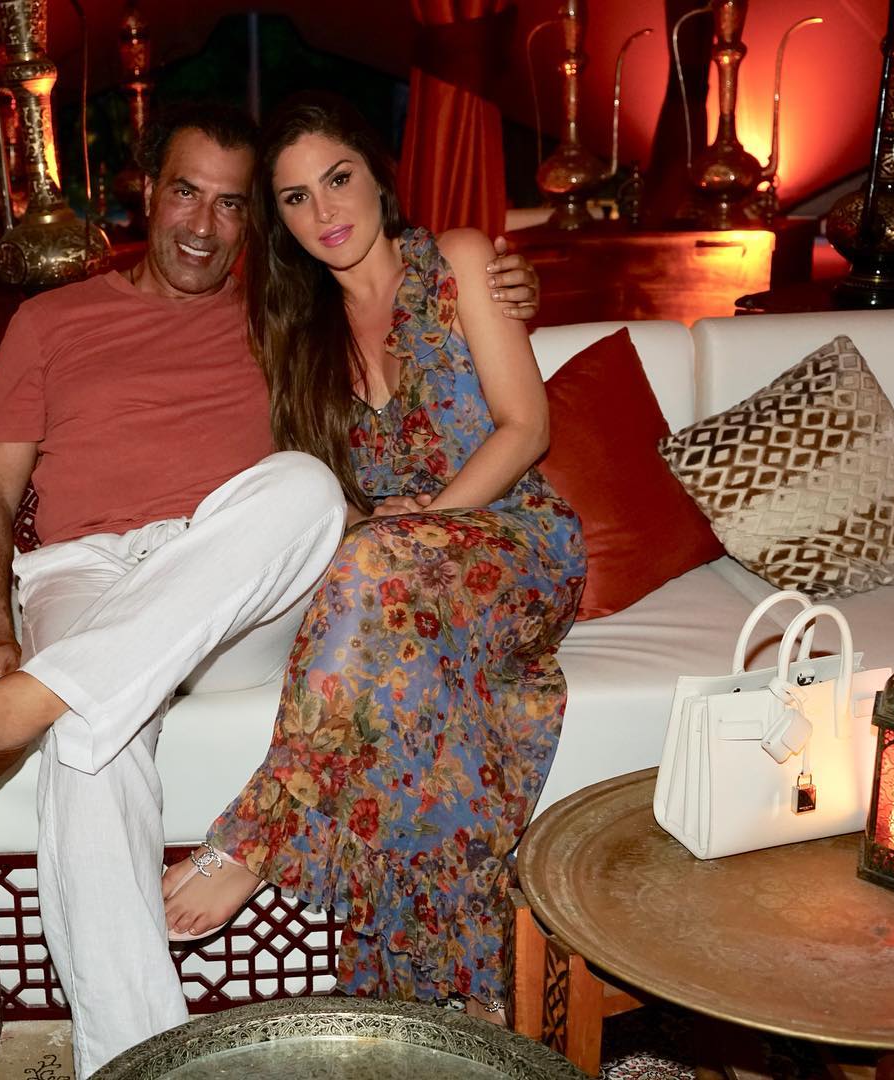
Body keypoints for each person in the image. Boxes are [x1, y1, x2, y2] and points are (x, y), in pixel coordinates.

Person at [0, 101, 539, 1077]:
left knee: (304, 487)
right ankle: (141, 1061)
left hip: (234, 582)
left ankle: (20, 705)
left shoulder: (284, 311)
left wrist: (510, 281)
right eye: (185, 194)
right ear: (146, 194)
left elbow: (408, 301)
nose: (204, 226)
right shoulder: (48, 320)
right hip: (87, 574)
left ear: (255, 221)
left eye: (233, 204)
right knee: (91, 748)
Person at [158, 93, 585, 1011]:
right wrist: (376, 529)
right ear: (278, 221)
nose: (326, 211)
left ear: (378, 178)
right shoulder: (295, 337)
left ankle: (256, 833)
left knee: (374, 568)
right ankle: (456, 995)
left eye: (338, 178)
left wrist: (420, 522)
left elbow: (526, 427)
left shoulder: (459, 261)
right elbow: (331, 497)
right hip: (400, 584)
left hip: (516, 544)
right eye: (295, 198)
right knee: (409, 684)